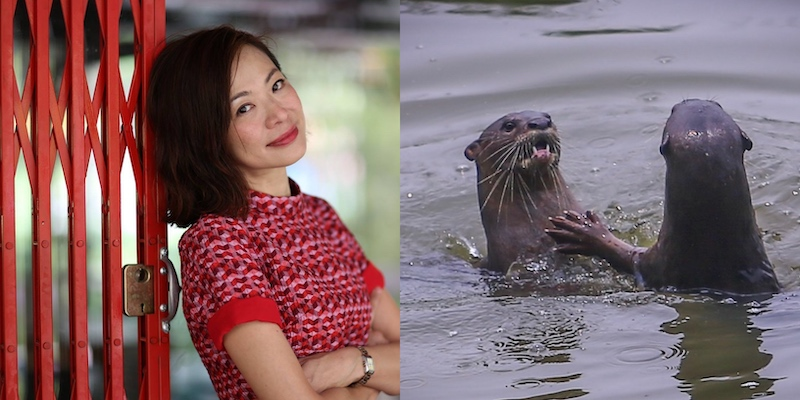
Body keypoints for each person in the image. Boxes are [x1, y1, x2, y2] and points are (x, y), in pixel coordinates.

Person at [147, 25, 400, 400]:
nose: (279, 113)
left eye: (277, 85)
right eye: (244, 107)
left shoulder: (319, 215)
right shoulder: (218, 242)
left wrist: (349, 365)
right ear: (206, 135)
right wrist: (372, 375)